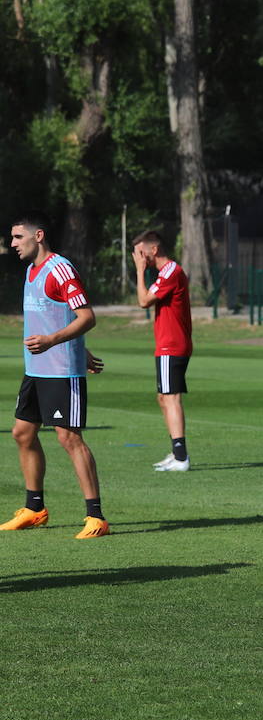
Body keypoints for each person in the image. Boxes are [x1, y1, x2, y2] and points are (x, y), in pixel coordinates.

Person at [1, 213, 109, 538]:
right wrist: (80, 348)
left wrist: (55, 343)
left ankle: (96, 518)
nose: (12, 243)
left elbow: (87, 316)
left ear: (39, 236)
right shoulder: (31, 271)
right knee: (22, 433)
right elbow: (56, 315)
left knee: (69, 438)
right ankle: (35, 509)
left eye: (18, 237)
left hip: (60, 370)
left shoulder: (60, 269)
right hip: (35, 370)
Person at [132, 230, 194, 471]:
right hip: (167, 344)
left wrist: (139, 272)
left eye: (140, 253)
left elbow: (144, 301)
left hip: (173, 344)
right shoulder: (165, 273)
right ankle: (176, 451)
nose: (138, 258)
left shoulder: (171, 271)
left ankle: (181, 457)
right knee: (163, 397)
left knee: (171, 397)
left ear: (153, 250)